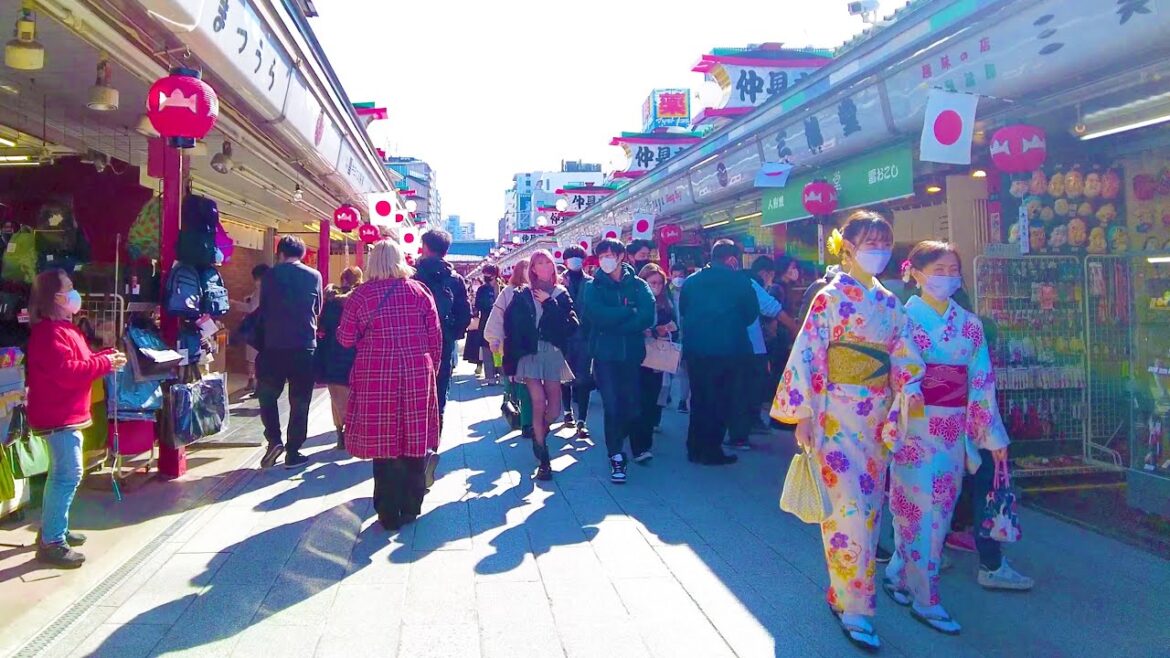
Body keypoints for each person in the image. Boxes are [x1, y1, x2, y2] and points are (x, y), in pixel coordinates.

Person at [771, 210, 925, 651]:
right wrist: (802, 413)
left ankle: (844, 594)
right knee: (848, 512)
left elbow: (906, 357)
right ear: (848, 248)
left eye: (884, 242)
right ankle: (856, 606)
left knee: (868, 510)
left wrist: (906, 388)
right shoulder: (829, 297)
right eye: (869, 242)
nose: (878, 250)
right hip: (835, 415)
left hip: (876, 417)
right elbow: (810, 353)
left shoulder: (890, 303)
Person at [875, 240, 1015, 635]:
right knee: (919, 511)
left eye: (954, 269)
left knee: (936, 508)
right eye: (939, 269)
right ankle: (926, 597)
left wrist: (990, 434)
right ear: (915, 273)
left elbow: (981, 379)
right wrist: (910, 386)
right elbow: (895, 368)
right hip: (914, 425)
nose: (948, 276)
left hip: (952, 426)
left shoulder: (968, 323)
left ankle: (901, 573)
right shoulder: (903, 318)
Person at [336, 239, 442, 531]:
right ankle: (411, 505)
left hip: (375, 371)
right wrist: (430, 366)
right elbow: (435, 337)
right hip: (416, 369)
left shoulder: (360, 295)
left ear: (372, 262)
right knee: (413, 434)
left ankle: (387, 511)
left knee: (384, 441)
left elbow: (345, 340)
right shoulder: (419, 291)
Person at [27, 269, 127, 568]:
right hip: (57, 416)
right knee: (67, 475)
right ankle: (52, 541)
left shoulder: (65, 329)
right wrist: (104, 362)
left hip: (66, 414)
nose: (74, 293)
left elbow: (81, 362)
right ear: (56, 297)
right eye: (69, 288)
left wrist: (104, 358)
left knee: (64, 474)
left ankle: (54, 528)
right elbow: (68, 373)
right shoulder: (49, 333)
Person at [580, 238, 654, 484]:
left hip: (631, 355)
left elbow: (646, 315)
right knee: (612, 406)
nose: (607, 259)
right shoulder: (593, 287)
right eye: (602, 255)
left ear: (622, 256)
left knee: (632, 404)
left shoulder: (638, 286)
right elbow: (597, 316)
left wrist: (622, 324)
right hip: (605, 356)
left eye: (612, 254)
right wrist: (626, 311)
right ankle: (616, 456)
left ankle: (631, 444)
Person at [500, 249, 579, 480]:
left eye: (547, 262)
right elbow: (511, 330)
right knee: (537, 400)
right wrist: (510, 366)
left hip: (552, 352)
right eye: (539, 263)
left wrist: (550, 303)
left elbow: (571, 326)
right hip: (529, 353)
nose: (544, 266)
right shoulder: (522, 294)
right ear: (532, 269)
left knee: (554, 408)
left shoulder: (561, 294)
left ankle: (539, 434)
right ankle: (543, 459)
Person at [679, 240, 758, 465]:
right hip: (729, 350)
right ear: (732, 259)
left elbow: (683, 309)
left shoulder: (691, 282)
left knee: (700, 398)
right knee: (722, 400)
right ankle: (712, 450)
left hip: (696, 350)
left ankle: (694, 448)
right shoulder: (741, 282)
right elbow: (751, 314)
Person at [257, 236, 323, 469]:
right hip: (304, 346)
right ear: (302, 254)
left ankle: (274, 440)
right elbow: (318, 309)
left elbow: (263, 308)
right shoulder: (314, 276)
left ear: (280, 253)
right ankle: (293, 451)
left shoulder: (269, 276)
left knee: (267, 396)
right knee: (300, 400)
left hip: (273, 346)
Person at [414, 229, 472, 425]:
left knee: (415, 389)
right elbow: (464, 313)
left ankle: (416, 434)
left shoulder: (413, 276)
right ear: (445, 251)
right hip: (443, 341)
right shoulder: (455, 279)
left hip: (414, 342)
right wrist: (450, 333)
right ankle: (435, 432)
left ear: (426, 247)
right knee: (439, 387)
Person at [632, 263, 677, 463]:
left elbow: (674, 325)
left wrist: (665, 329)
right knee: (638, 400)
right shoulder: (635, 301)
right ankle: (638, 442)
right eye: (652, 282)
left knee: (652, 399)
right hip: (637, 356)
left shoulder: (666, 303)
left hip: (657, 356)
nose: (656, 286)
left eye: (659, 283)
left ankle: (645, 442)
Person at [485, 260, 536, 438]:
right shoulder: (508, 292)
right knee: (518, 383)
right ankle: (524, 420)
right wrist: (494, 339)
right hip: (512, 344)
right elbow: (497, 318)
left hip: (535, 346)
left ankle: (528, 420)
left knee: (530, 385)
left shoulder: (539, 290)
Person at [315, 266, 362, 451]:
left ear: (343, 279)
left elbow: (322, 325)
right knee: (356, 395)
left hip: (333, 353)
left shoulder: (330, 300)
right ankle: (354, 430)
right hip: (355, 354)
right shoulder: (360, 298)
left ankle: (340, 433)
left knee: (336, 398)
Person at [741, 256, 783, 448]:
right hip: (752, 346)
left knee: (750, 384)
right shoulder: (749, 284)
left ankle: (749, 421)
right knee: (753, 383)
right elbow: (772, 309)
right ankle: (747, 423)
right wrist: (795, 328)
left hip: (744, 345)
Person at [560, 245, 594, 437]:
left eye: (578, 257)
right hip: (564, 338)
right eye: (571, 257)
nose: (574, 260)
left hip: (585, 338)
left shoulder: (591, 282)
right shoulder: (559, 283)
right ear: (565, 260)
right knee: (565, 377)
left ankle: (582, 419)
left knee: (584, 379)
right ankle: (567, 412)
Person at [230, 263, 270, 395]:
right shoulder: (273, 289)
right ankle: (256, 382)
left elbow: (251, 308)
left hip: (256, 328)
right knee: (259, 358)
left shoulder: (261, 289)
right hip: (267, 328)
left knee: (253, 357)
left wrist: (234, 304)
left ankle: (255, 382)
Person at [667, 263, 691, 413]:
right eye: (675, 276)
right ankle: (665, 395)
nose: (678, 279)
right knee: (667, 369)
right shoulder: (665, 293)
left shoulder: (691, 292)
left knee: (684, 370)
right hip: (670, 335)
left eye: (681, 276)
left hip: (686, 335)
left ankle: (683, 400)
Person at [474, 265, 501, 385]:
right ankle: (490, 375)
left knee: (498, 350)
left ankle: (500, 373)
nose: (485, 276)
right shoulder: (482, 289)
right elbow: (478, 305)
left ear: (494, 274)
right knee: (487, 350)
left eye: (487, 274)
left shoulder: (502, 287)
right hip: (485, 321)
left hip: (500, 323)